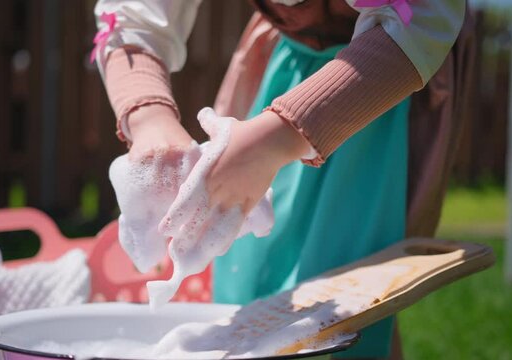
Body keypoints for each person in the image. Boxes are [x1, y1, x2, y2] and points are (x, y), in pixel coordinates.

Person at [93, 1, 472, 358]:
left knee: (344, 303)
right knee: (246, 291)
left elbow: (423, 17)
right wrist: (149, 119)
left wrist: (274, 140)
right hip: (285, 68)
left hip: (374, 88)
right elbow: (134, 14)